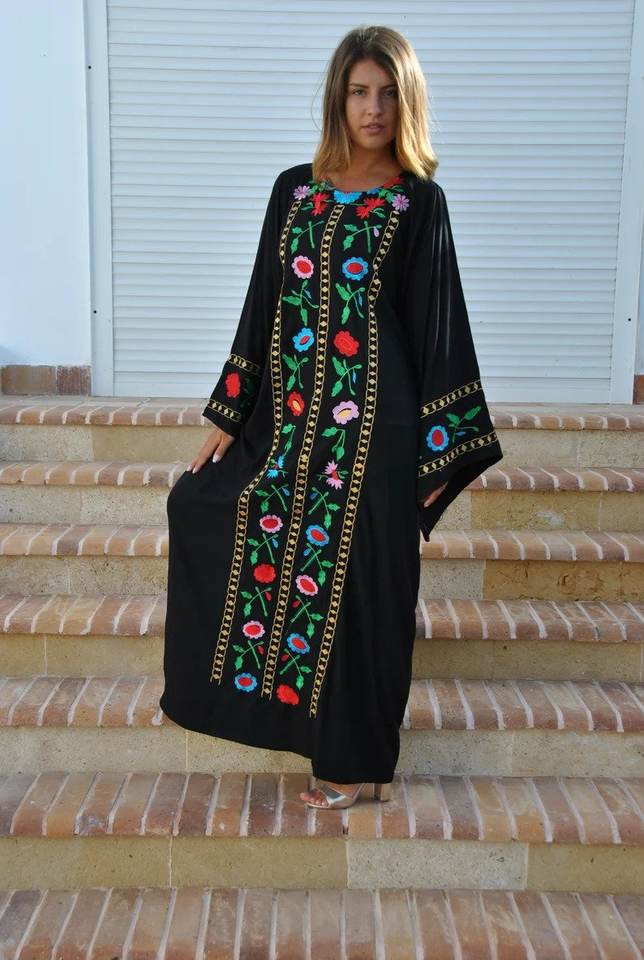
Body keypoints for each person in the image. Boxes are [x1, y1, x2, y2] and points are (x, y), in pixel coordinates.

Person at [159, 25, 503, 810]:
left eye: (388, 93)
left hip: (380, 429)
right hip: (291, 421)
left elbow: (437, 325)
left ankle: (351, 763)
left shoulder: (418, 201)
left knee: (360, 592)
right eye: (358, 92)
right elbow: (262, 304)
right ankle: (287, 723)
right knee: (203, 507)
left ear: (406, 102)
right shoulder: (295, 189)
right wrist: (230, 410)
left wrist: (438, 453)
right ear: (337, 100)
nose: (373, 108)